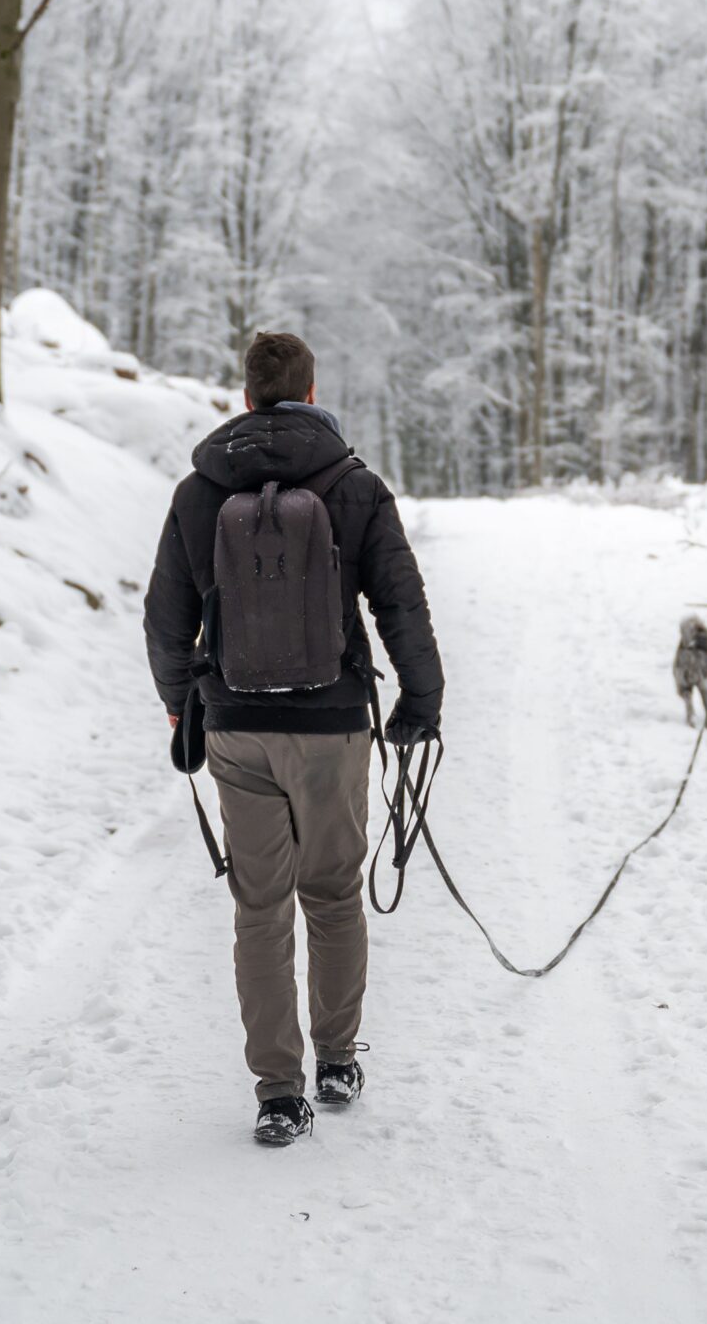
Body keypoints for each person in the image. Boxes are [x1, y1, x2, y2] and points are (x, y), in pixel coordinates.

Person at [142, 331, 444, 1147]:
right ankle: (338, 1060)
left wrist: (183, 708)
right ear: (313, 391)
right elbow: (400, 605)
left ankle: (278, 1092)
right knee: (334, 895)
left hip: (237, 726)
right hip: (333, 723)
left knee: (260, 909)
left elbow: (166, 621)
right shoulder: (354, 484)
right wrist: (422, 698)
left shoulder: (200, 491)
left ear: (245, 398)